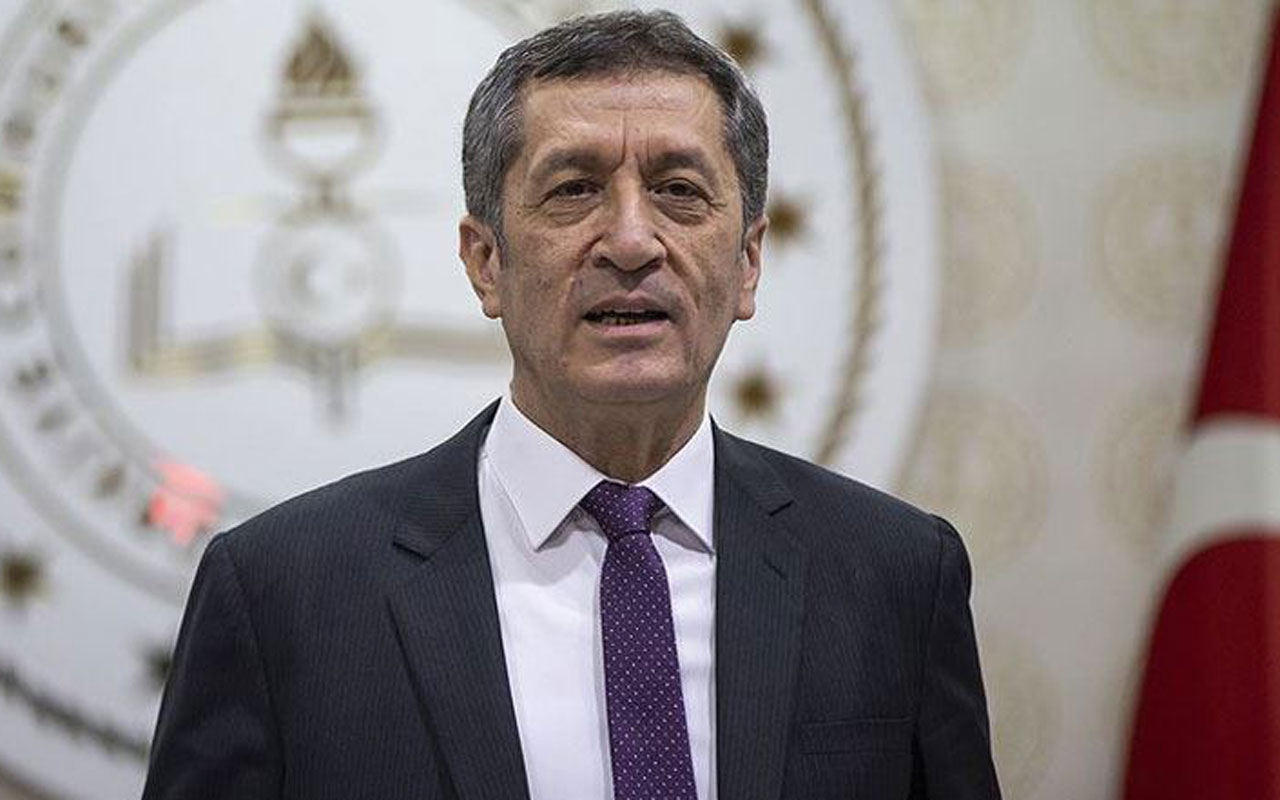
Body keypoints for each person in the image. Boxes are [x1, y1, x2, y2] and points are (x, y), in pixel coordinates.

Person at [143, 10, 1000, 800]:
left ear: (748, 262)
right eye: (574, 189)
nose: (630, 242)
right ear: (485, 262)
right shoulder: (282, 594)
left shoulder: (894, 574)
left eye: (678, 189)